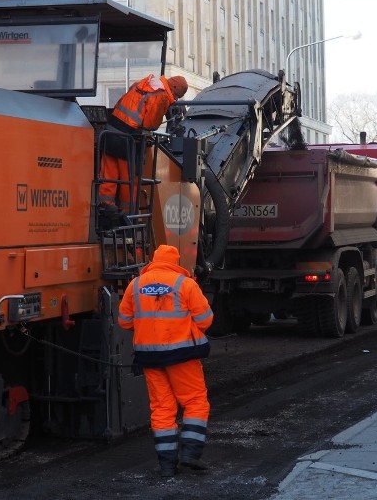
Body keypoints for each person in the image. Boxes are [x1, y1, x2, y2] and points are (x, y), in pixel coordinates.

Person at [118, 244, 213, 477]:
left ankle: (167, 465)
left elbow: (124, 321)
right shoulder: (185, 284)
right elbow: (206, 320)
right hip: (182, 357)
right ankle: (191, 453)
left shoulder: (135, 285)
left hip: (149, 357)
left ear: (153, 261)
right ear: (175, 262)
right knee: (195, 401)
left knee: (161, 408)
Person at [98, 74, 188, 214]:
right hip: (127, 139)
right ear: (174, 87)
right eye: (176, 96)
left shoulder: (147, 83)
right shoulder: (161, 95)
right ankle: (128, 217)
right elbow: (150, 124)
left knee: (108, 174)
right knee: (129, 180)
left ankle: (105, 207)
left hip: (110, 131)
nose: (175, 99)